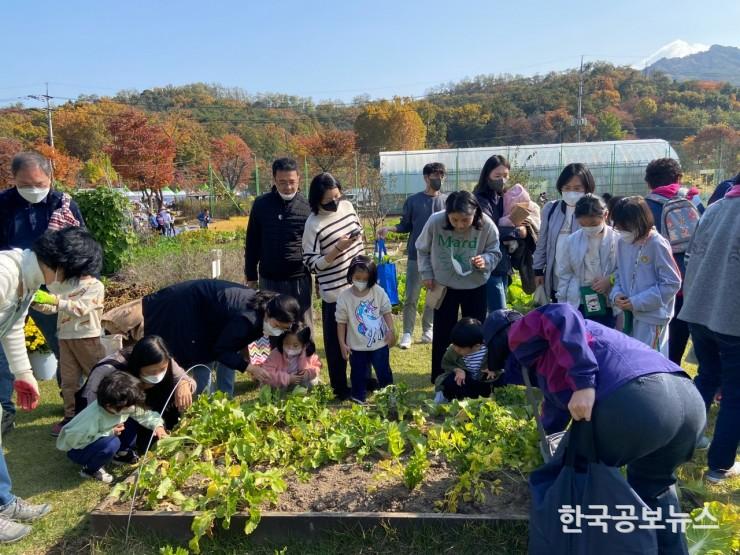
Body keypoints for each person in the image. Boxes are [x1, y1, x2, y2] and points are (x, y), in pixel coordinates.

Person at [483, 305, 705, 555]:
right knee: (654, 488)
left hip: (638, 402)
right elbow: (557, 411)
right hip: (688, 402)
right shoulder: (558, 353)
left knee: (581, 484)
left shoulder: (518, 334)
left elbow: (561, 314)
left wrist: (583, 382)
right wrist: (547, 439)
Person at [0, 228, 104, 541]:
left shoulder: (28, 281)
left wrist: (24, 374)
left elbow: (13, 326)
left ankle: (4, 502)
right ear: (61, 265)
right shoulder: (5, 272)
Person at [0, 151, 85, 435]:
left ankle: (71, 401)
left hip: (43, 285)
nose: (33, 189)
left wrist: (24, 373)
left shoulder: (64, 204)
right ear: (14, 180)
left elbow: (78, 245)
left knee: (65, 343)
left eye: (38, 182)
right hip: (15, 282)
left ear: (50, 177)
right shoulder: (3, 204)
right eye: (25, 183)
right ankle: (5, 409)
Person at [101, 281, 301, 397]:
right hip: (185, 314)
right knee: (199, 358)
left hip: (207, 317)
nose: (277, 331)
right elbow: (221, 350)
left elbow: (233, 344)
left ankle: (224, 399)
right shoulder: (246, 318)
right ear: (269, 314)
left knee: (224, 356)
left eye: (282, 329)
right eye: (276, 326)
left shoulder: (270, 304)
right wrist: (250, 368)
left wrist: (245, 362)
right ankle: (200, 400)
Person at [679, 172, 740, 483]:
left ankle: (682, 445)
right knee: (734, 394)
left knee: (706, 377)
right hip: (731, 319)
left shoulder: (716, 208)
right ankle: (719, 466)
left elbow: (690, 257)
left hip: (699, 311)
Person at [415, 190, 502, 383]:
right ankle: (441, 375)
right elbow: (422, 249)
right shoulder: (436, 221)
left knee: (476, 334)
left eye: (465, 220)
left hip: (475, 285)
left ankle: (477, 373)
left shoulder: (487, 225)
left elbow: (495, 252)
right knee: (443, 332)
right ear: (447, 214)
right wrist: (426, 274)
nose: (460, 225)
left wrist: (485, 260)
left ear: (475, 213)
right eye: (454, 220)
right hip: (444, 285)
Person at [27, 228, 106, 436]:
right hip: (65, 338)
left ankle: (105, 412)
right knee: (68, 381)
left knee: (98, 376)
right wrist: (36, 301)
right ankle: (70, 417)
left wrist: (55, 300)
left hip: (87, 337)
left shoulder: (95, 285)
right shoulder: (65, 284)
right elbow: (55, 308)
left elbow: (81, 308)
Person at [77, 335, 196, 455]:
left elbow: (189, 381)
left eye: (162, 369)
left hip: (142, 411)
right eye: (151, 372)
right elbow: (91, 405)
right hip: (113, 413)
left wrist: (184, 383)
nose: (158, 375)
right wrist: (106, 426)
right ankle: (118, 448)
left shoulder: (164, 360)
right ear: (138, 365)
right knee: (116, 438)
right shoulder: (109, 369)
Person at [302, 173, 364, 399]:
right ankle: (340, 387)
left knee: (362, 337)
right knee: (337, 343)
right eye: (329, 201)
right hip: (334, 292)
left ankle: (362, 379)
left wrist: (356, 240)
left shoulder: (347, 207)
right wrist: (337, 249)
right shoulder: (313, 223)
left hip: (359, 286)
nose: (335, 203)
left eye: (337, 197)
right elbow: (311, 263)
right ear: (317, 200)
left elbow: (359, 233)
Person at [377, 162, 447, 349]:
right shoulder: (414, 201)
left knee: (434, 296)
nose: (438, 178)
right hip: (416, 255)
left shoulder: (448, 202)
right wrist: (389, 228)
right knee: (411, 296)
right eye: (434, 175)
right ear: (426, 178)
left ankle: (427, 330)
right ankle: (407, 332)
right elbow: (405, 225)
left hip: (439, 257)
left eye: (441, 175)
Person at [643, 158, 704, 365]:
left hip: (661, 286)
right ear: (679, 178)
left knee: (664, 343)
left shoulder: (645, 208)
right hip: (694, 281)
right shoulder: (694, 201)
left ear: (649, 183)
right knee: (691, 338)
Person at [58, 371, 167, 484]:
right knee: (111, 443)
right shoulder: (92, 417)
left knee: (131, 422)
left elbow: (144, 415)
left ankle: (121, 454)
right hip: (78, 449)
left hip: (103, 436)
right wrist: (110, 432)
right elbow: (74, 441)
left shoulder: (122, 405)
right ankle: (91, 470)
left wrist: (157, 425)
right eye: (129, 405)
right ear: (109, 406)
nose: (132, 407)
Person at [245, 158, 313, 327]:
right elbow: (252, 240)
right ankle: (275, 354)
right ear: (274, 180)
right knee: (272, 326)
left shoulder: (308, 207)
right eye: (282, 182)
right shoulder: (261, 205)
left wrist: (318, 280)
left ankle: (307, 355)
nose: (288, 187)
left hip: (299, 278)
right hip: (269, 279)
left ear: (299, 178)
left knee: (302, 326)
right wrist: (251, 275)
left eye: (292, 182)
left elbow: (316, 245)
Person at [610, 197, 681, 356]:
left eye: (626, 227)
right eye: (619, 227)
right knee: (630, 359)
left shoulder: (657, 243)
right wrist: (616, 294)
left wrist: (637, 302)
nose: (622, 231)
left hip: (652, 318)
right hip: (628, 315)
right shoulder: (622, 242)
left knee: (650, 362)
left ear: (640, 222)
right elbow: (619, 274)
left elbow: (671, 283)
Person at [473, 155, 532, 312]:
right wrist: (517, 232)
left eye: (505, 176)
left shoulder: (504, 198)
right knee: (498, 312)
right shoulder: (480, 199)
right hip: (487, 263)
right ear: (487, 176)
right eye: (497, 176)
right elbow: (488, 229)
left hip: (503, 262)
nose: (502, 180)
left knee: (499, 309)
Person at [336, 256, 395, 404]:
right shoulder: (344, 297)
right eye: (358, 278)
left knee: (383, 371)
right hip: (355, 346)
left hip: (379, 345)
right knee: (357, 374)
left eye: (365, 279)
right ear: (351, 275)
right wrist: (342, 344)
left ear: (372, 278)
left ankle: (390, 396)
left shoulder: (378, 292)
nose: (361, 282)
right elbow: (341, 322)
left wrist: (390, 329)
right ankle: (358, 398)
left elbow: (387, 311)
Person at [534, 163, 596, 303]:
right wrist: (538, 270)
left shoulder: (595, 211)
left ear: (587, 188)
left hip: (585, 283)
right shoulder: (551, 210)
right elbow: (542, 242)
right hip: (556, 279)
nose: (571, 192)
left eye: (577, 188)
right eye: (567, 188)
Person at [555, 195, 619, 327]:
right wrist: (562, 303)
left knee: (606, 337)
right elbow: (564, 273)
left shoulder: (618, 240)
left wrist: (610, 280)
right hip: (580, 301)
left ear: (605, 215)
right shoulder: (572, 240)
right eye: (583, 225)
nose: (589, 228)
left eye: (594, 224)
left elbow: (627, 270)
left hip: (609, 301)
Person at [434, 317, 497, 402]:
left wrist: (493, 370)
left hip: (483, 382)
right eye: (454, 345)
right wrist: (457, 370)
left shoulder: (490, 349)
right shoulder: (453, 349)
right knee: (450, 381)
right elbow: (446, 363)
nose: (456, 349)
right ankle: (450, 397)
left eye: (460, 348)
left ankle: (488, 398)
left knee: (498, 381)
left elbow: (502, 364)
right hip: (466, 381)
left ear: (476, 346)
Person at [252, 323, 321, 390]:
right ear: (282, 341)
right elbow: (267, 373)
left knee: (312, 382)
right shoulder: (276, 354)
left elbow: (317, 366)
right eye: (287, 344)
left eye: (295, 345)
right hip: (279, 382)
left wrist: (307, 373)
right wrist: (288, 378)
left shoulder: (307, 352)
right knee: (271, 386)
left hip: (298, 382)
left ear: (303, 345)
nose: (290, 348)